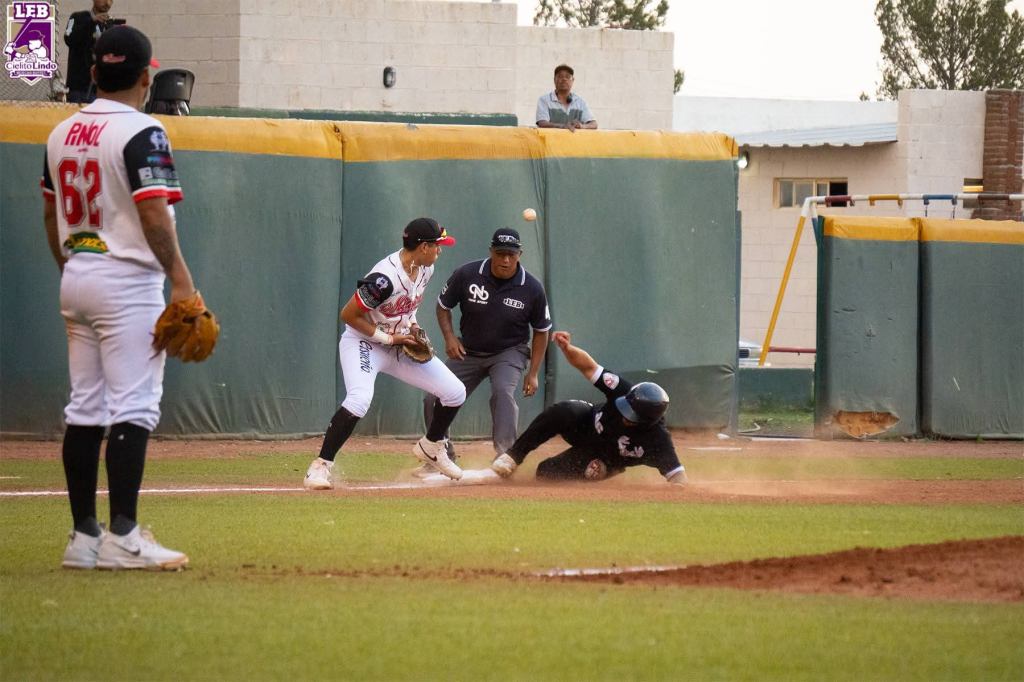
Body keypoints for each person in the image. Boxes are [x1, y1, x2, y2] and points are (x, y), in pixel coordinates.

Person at [42, 25, 198, 570]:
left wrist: (74, 270)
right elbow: (153, 213)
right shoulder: (144, 130)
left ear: (91, 73)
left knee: (85, 406)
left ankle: (84, 536)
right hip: (127, 279)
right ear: (146, 74)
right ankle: (124, 537)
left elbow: (49, 213)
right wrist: (182, 280)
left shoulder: (60, 133)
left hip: (78, 273)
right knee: (134, 406)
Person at [304, 218, 467, 490]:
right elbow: (348, 315)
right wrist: (389, 337)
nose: (440, 251)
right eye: (437, 246)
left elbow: (409, 307)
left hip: (399, 343)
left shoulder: (426, 269)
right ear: (424, 247)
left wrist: (413, 327)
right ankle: (320, 467)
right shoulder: (384, 278)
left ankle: (431, 446)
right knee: (359, 400)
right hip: (364, 343)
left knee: (455, 392)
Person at [420, 227, 551, 474]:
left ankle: (505, 458)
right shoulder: (467, 274)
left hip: (509, 352)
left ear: (519, 254)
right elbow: (443, 306)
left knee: (502, 393)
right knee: (433, 397)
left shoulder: (532, 287)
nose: (505, 259)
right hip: (468, 350)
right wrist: (449, 338)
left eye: (511, 254)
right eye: (500, 253)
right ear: (491, 251)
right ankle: (439, 455)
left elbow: (542, 330)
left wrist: (533, 372)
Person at [490, 331, 687, 485]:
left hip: (603, 458)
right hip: (587, 425)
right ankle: (513, 457)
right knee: (563, 411)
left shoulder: (658, 439)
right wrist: (567, 348)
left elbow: (678, 476)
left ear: (648, 422)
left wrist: (680, 489)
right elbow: (589, 367)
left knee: (546, 472)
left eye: (633, 416)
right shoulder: (623, 390)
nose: (625, 416)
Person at [64, 0, 114, 104]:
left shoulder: (108, 24)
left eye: (111, 0)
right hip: (78, 87)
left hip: (101, 88)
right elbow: (68, 37)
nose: (107, 3)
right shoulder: (76, 17)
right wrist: (91, 21)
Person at [535, 64, 597, 132]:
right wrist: (563, 126)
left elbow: (594, 124)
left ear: (572, 80)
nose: (564, 79)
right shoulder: (544, 100)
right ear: (554, 80)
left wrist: (582, 126)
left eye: (567, 77)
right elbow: (542, 123)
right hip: (551, 142)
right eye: (560, 76)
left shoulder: (580, 102)